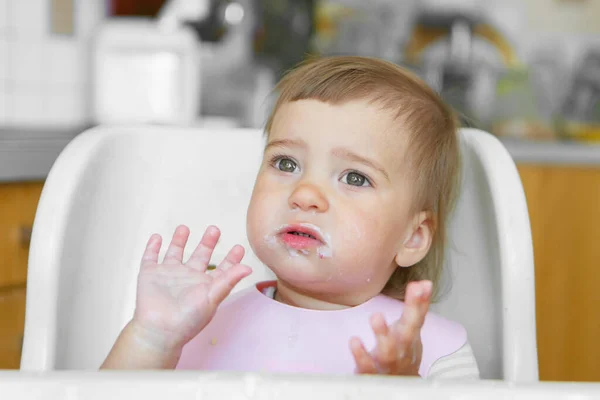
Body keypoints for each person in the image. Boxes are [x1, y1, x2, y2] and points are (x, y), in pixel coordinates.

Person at [101, 56, 480, 379]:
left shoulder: (436, 352)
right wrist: (151, 338)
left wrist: (402, 393)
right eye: (286, 163)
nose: (305, 194)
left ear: (412, 238)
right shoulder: (199, 324)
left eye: (354, 177)